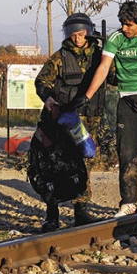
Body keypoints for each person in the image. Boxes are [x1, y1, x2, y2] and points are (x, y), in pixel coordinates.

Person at [73, 1, 137, 217]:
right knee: (126, 155)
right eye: (123, 23)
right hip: (128, 101)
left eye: (130, 25)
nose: (125, 28)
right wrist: (87, 96)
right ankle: (128, 202)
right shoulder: (116, 39)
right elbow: (103, 67)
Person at [34, 12, 105, 232]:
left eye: (81, 33)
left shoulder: (100, 55)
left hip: (90, 118)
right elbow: (42, 81)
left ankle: (81, 211)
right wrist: (48, 97)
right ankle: (52, 214)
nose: (77, 37)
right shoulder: (60, 57)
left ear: (89, 32)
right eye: (72, 33)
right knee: (55, 164)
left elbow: (111, 76)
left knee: (86, 164)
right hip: (65, 120)